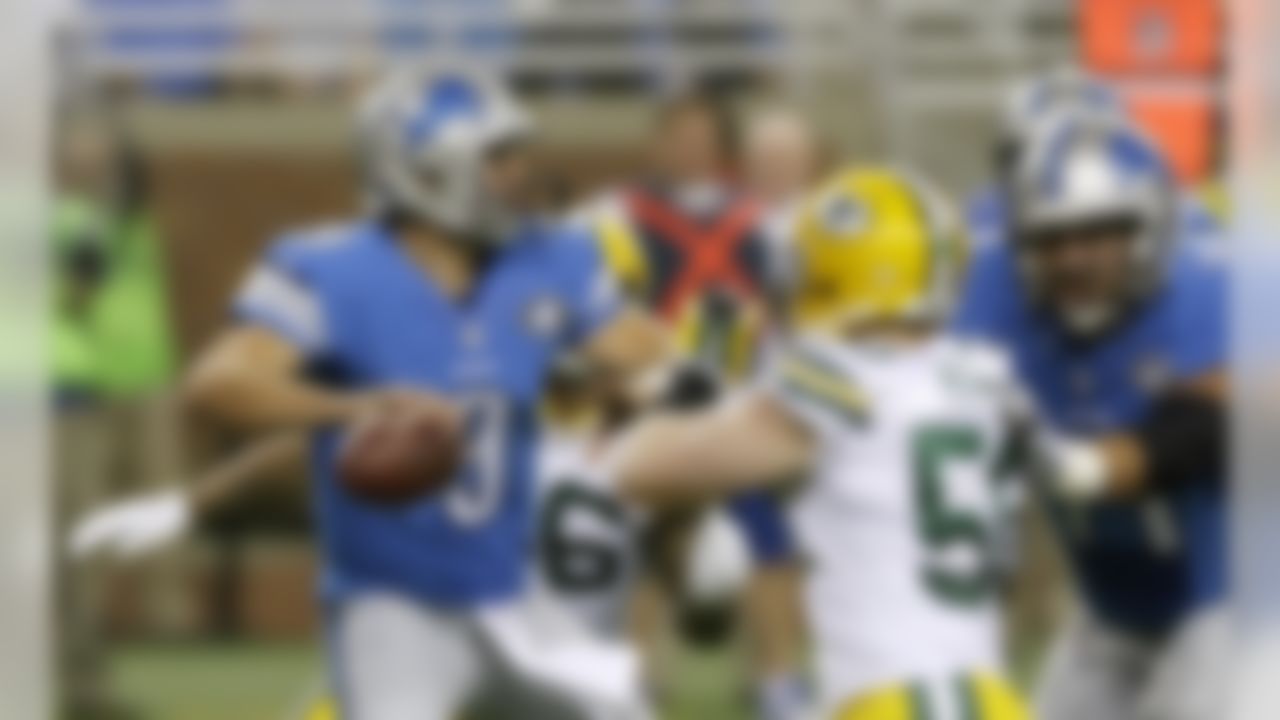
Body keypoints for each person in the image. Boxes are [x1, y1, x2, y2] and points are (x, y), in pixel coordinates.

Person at [78, 66, 668, 720]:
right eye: (498, 157)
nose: (520, 174)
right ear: (426, 170)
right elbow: (221, 384)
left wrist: (616, 378)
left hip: (519, 595)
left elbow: (644, 352)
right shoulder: (331, 268)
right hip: (394, 601)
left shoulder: (555, 255)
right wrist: (355, 409)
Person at [606, 167, 1034, 720]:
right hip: (990, 696)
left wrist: (697, 383)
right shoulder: (990, 379)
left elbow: (638, 470)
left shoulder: (839, 378)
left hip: (895, 699)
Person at [954, 112, 1228, 720]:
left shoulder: (1205, 284)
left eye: (1097, 235)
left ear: (1150, 231)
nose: (1072, 259)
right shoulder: (997, 299)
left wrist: (1091, 467)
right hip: (1114, 613)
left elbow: (1212, 428)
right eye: (1051, 240)